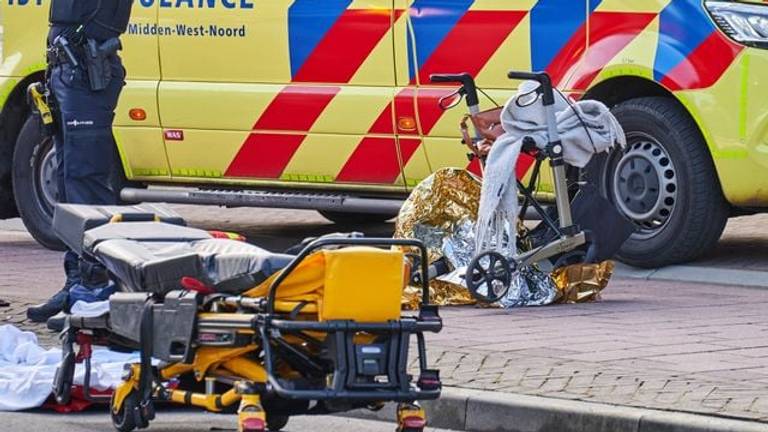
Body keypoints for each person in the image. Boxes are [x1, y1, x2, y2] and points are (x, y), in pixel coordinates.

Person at [27, 0, 134, 327]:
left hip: (87, 67)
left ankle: (95, 286)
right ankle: (77, 279)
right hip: (67, 68)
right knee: (68, 180)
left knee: (86, 183)